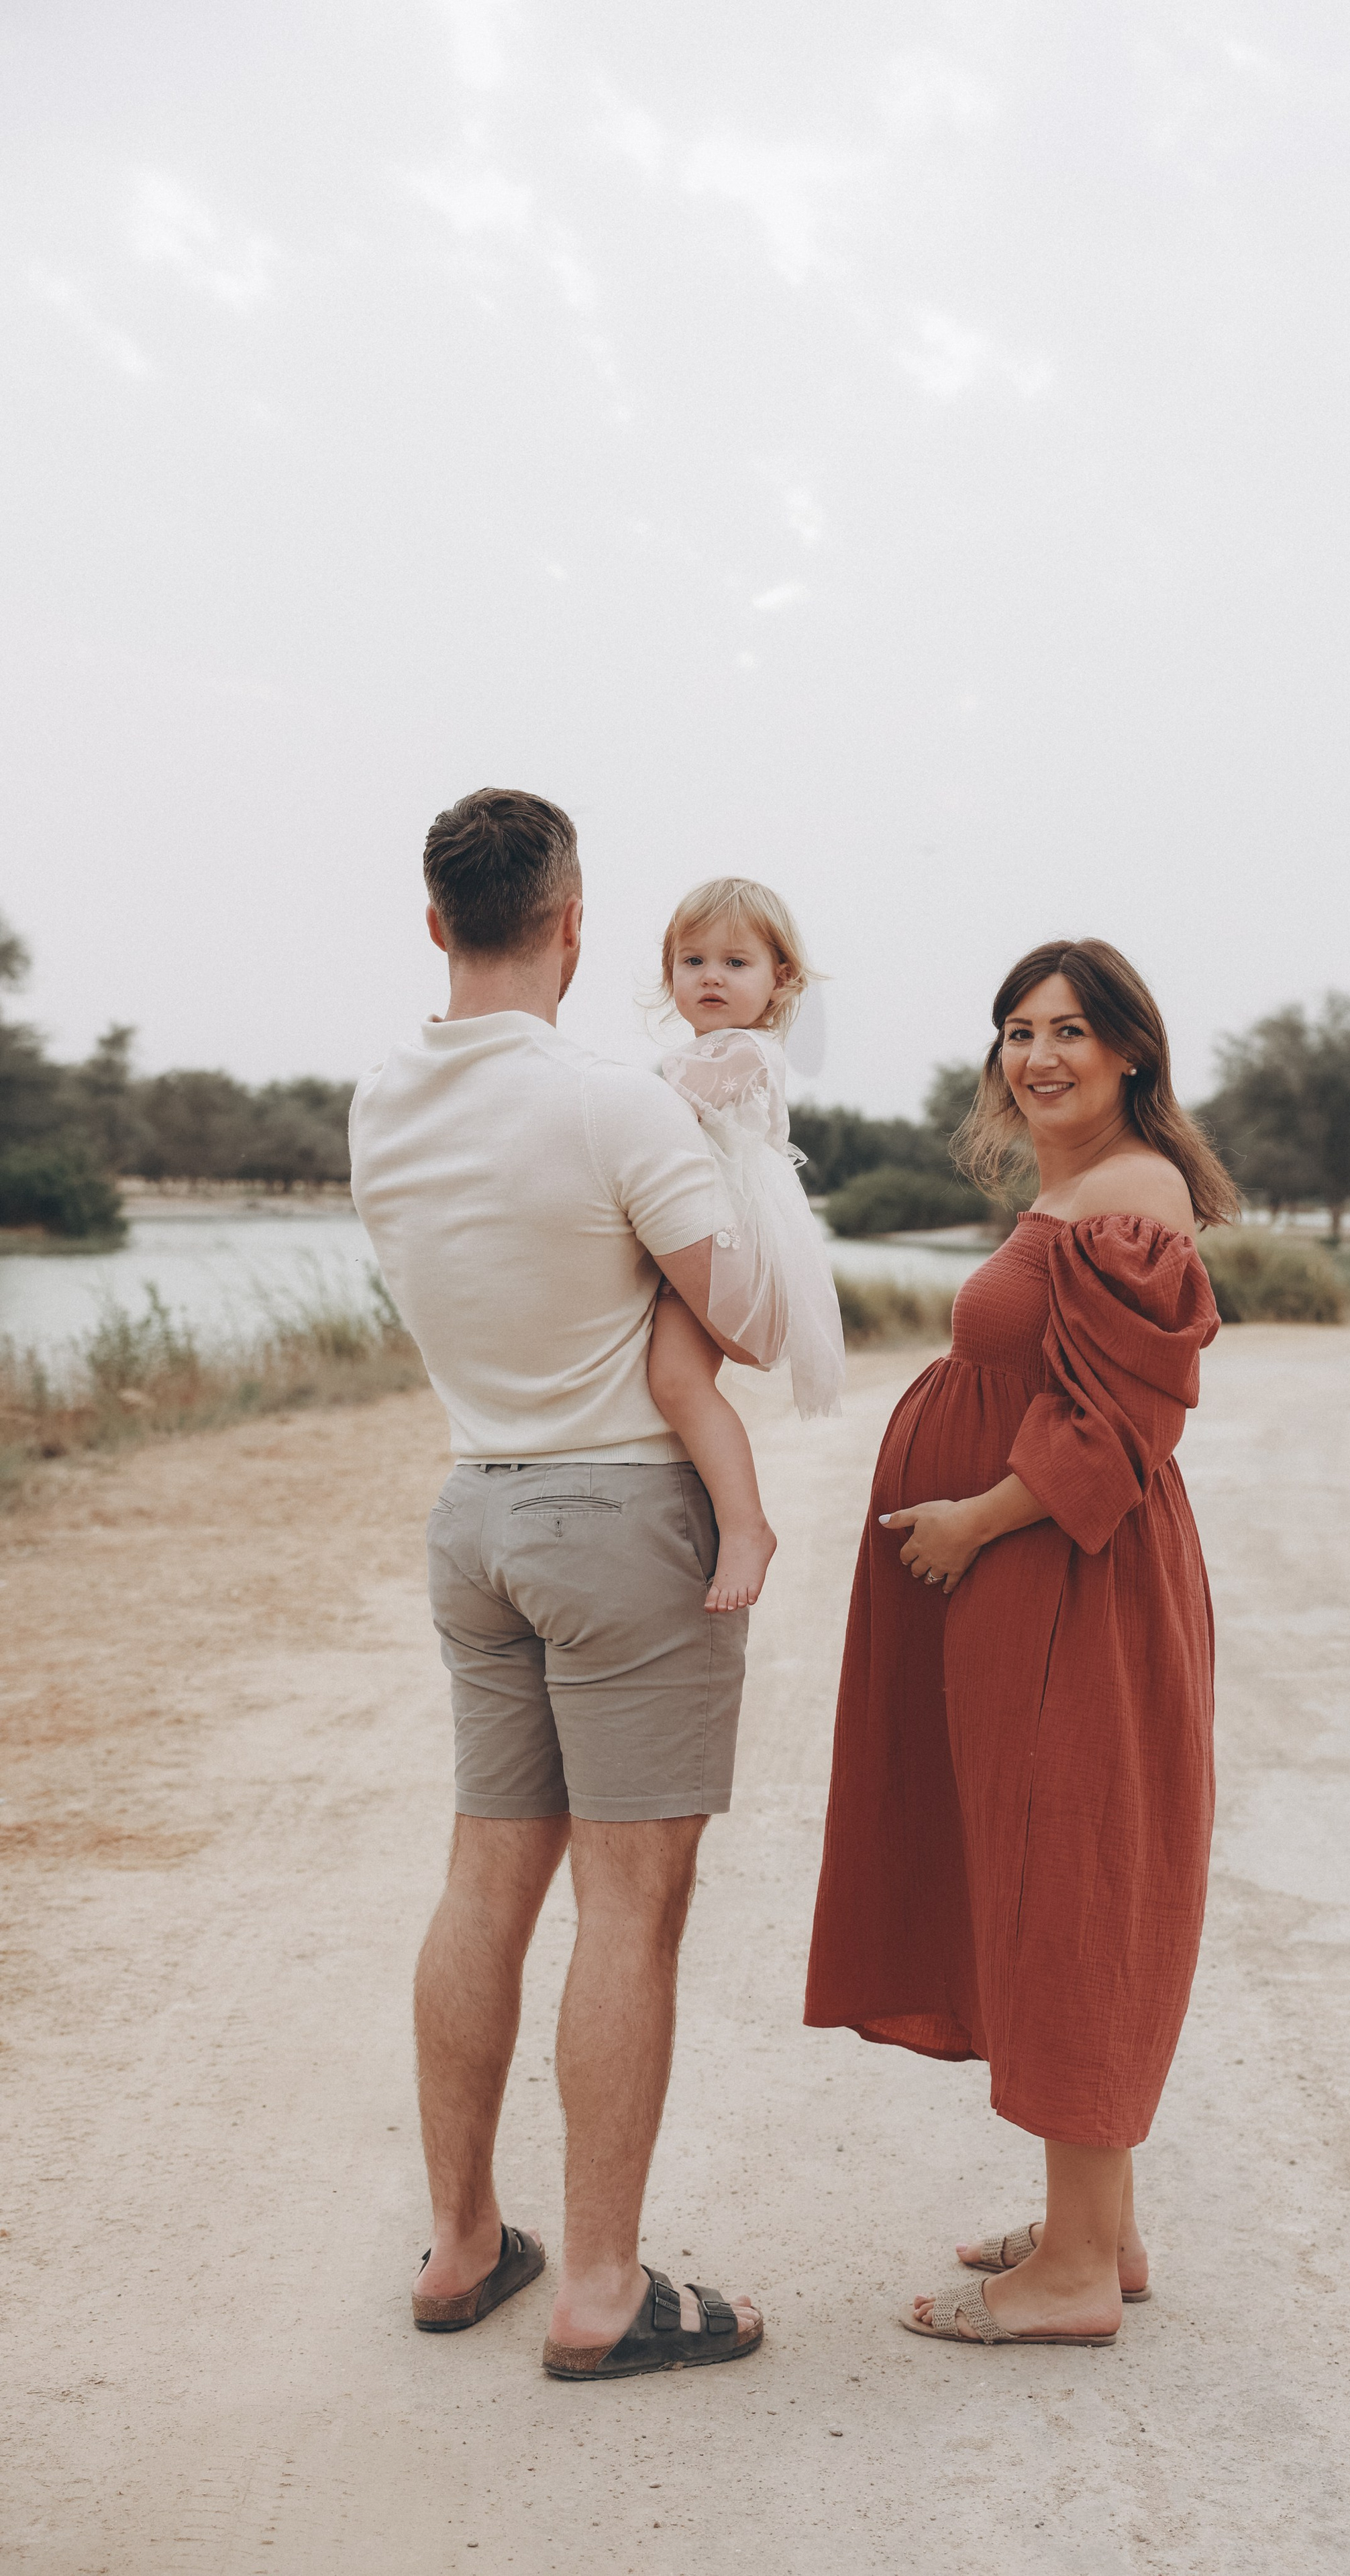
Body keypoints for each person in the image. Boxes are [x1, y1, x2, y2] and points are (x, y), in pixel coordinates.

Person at [350, 788, 773, 2382]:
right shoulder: (614, 1101)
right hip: (617, 1517)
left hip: (478, 1508)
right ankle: (600, 2284)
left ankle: (464, 2240)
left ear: (439, 920)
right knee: (630, 1903)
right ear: (577, 924)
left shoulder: (381, 1104)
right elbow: (751, 1315)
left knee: (482, 1882)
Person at [803, 937, 1238, 2347]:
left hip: (1070, 1582)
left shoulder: (1131, 1194)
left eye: (1066, 1030)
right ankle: (1094, 2234)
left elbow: (1121, 1426)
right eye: (1014, 1030)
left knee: (1071, 1882)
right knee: (1042, 1870)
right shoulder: (1077, 1186)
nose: (1035, 1055)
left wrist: (975, 1522)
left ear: (1129, 1052)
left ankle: (1064, 2285)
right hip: (1031, 1578)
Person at [646, 876, 845, 1613]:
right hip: (698, 1223)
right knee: (670, 1376)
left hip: (731, 1235)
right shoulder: (704, 1049)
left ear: (778, 978)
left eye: (735, 963)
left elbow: (664, 1100)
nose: (710, 977)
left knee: (677, 1378)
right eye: (692, 961)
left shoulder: (749, 1052)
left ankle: (746, 1526)